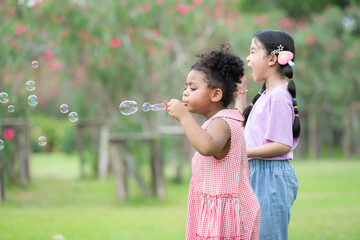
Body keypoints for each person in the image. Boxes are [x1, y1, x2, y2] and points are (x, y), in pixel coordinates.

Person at [167, 43, 260, 240]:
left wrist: (184, 117)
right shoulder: (229, 117)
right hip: (220, 210)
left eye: (193, 88)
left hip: (226, 215)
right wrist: (240, 92)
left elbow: (207, 146)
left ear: (216, 94)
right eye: (185, 87)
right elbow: (239, 110)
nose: (185, 92)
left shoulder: (221, 123)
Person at [235, 30, 300, 240]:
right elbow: (240, 130)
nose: (248, 58)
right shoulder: (264, 96)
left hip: (270, 176)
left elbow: (282, 145)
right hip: (257, 173)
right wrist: (240, 93)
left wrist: (243, 153)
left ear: (272, 59)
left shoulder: (279, 96)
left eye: (253, 51)